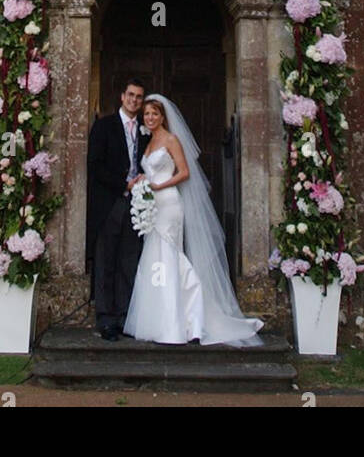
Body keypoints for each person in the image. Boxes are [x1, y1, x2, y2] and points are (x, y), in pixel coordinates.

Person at [123, 93, 264, 347]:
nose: (150, 117)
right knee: (154, 256)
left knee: (168, 255)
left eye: (154, 113)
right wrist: (141, 182)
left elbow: (184, 172)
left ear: (163, 116)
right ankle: (157, 320)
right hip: (153, 204)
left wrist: (159, 185)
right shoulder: (149, 142)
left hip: (169, 202)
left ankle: (179, 321)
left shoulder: (171, 139)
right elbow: (149, 171)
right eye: (147, 114)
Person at [86, 77, 146, 340]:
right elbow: (95, 165)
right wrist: (124, 184)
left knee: (129, 260)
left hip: (137, 206)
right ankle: (106, 319)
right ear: (122, 97)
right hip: (111, 201)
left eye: (139, 97)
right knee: (106, 260)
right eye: (131, 95)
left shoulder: (147, 128)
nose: (134, 100)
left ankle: (125, 316)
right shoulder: (104, 126)